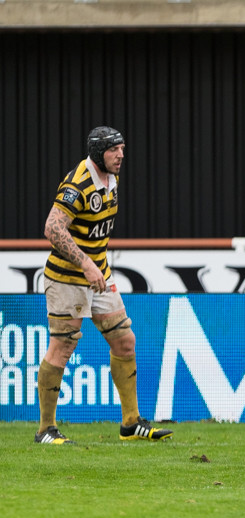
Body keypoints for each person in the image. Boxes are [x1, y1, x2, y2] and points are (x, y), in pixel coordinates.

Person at [36, 125, 173, 445]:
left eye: (122, 149)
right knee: (62, 346)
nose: (121, 155)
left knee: (125, 341)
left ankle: (130, 424)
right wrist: (85, 263)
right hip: (67, 278)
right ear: (98, 152)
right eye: (115, 150)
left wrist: (96, 266)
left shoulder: (112, 179)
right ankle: (45, 430)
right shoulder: (78, 183)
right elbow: (52, 228)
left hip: (100, 276)